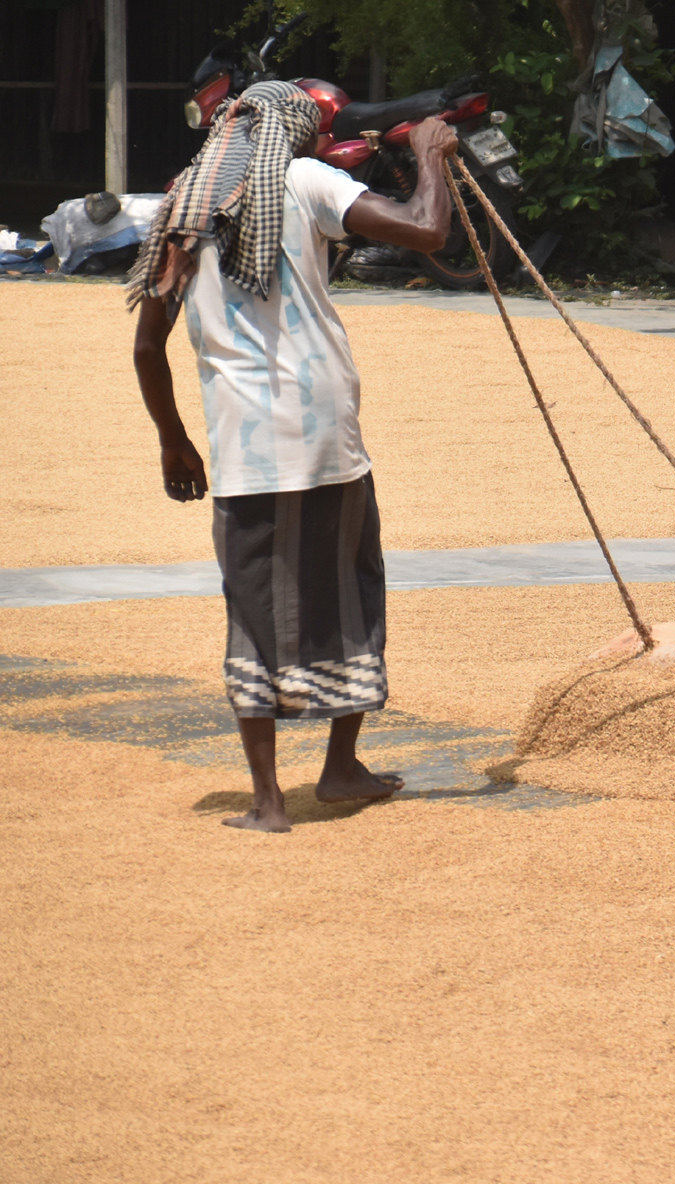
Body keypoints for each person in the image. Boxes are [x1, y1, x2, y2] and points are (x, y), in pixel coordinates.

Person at [130, 80, 461, 832]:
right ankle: (340, 767)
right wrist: (430, 153)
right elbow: (427, 230)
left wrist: (174, 441)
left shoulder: (185, 201)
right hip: (326, 434)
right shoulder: (305, 180)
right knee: (348, 586)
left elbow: (148, 344)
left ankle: (268, 798)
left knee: (253, 606)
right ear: (295, 131)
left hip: (243, 447)